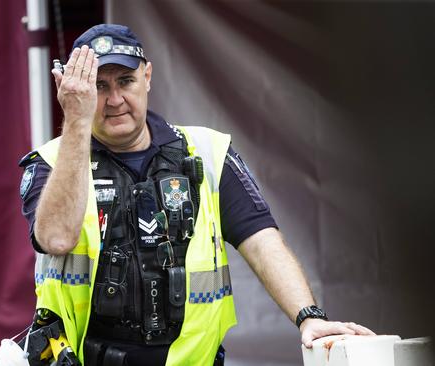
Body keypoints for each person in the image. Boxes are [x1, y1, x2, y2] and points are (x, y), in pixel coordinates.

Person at [18, 24, 374, 366]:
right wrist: (77, 122)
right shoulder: (53, 162)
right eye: (98, 87)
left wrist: (308, 317)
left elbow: (262, 241)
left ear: (148, 77)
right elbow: (57, 238)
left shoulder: (207, 151)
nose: (114, 100)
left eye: (125, 81)